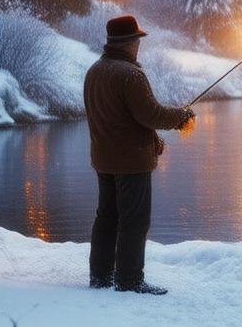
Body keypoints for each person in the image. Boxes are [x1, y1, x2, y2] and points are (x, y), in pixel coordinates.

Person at [83, 15, 194, 294]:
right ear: (129, 43)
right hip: (131, 163)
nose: (139, 46)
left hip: (103, 159)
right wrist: (182, 116)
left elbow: (119, 119)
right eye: (137, 40)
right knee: (134, 221)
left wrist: (152, 139)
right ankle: (130, 280)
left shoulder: (95, 71)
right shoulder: (130, 75)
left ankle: (100, 276)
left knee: (107, 218)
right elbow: (150, 114)